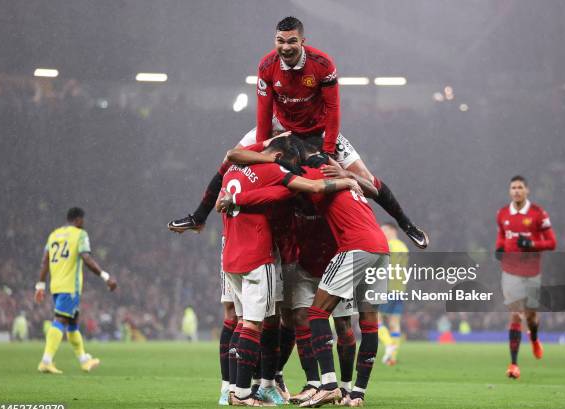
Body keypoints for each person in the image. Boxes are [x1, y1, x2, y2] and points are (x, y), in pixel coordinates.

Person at [168, 16, 428, 250]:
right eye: (280, 41)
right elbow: (263, 112)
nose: (285, 47)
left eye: (292, 41)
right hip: (279, 128)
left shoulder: (322, 64)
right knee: (230, 161)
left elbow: (334, 110)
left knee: (366, 178)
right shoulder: (267, 66)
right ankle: (198, 218)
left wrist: (327, 152)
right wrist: (263, 149)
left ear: (303, 41)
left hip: (319, 131)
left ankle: (406, 224)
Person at [219, 137, 388, 408]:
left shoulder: (299, 172)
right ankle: (342, 390)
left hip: (346, 252)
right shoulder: (319, 172)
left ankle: (335, 387)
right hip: (371, 249)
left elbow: (281, 188)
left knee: (321, 318)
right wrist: (348, 177)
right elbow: (374, 190)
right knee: (357, 322)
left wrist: (235, 198)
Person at [35, 207, 118, 374]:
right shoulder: (80, 234)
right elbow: (86, 258)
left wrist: (40, 285)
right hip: (70, 286)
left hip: (56, 285)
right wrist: (105, 276)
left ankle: (84, 360)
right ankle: (46, 360)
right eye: (83, 220)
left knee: (73, 321)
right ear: (79, 219)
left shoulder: (54, 235)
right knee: (60, 320)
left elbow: (45, 261)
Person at [495, 176, 556, 379]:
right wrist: (499, 248)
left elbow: (552, 242)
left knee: (530, 317)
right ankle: (513, 365)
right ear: (509, 191)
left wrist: (531, 245)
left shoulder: (538, 213)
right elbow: (502, 236)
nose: (516, 191)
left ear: (527, 190)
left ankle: (535, 337)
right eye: (513, 187)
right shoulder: (502, 213)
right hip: (510, 270)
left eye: (520, 187)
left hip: (532, 272)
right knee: (515, 314)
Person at [377, 222, 409, 366]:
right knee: (394, 323)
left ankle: (389, 344)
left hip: (387, 288)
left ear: (392, 230)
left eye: (383, 230)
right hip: (399, 290)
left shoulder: (389, 246)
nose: (382, 233)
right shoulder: (403, 247)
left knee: (374, 319)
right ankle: (392, 357)